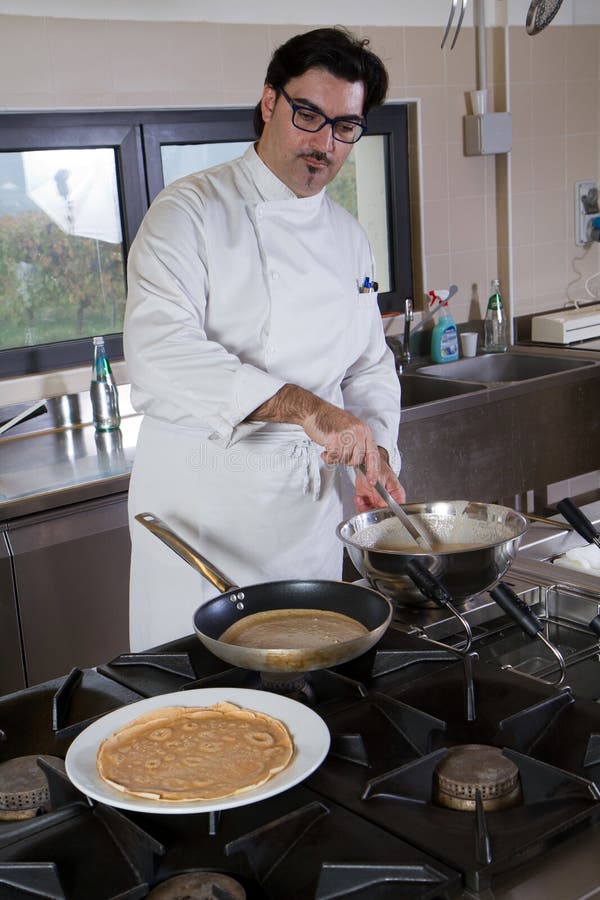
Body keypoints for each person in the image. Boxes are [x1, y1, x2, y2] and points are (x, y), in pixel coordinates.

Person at [124, 26, 405, 652]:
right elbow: (159, 357)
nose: (325, 143)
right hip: (204, 523)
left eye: (346, 127)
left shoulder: (346, 234)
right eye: (309, 115)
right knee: (198, 718)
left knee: (307, 693)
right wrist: (307, 407)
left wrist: (376, 452)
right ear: (269, 101)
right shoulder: (189, 212)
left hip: (305, 522)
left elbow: (367, 366)